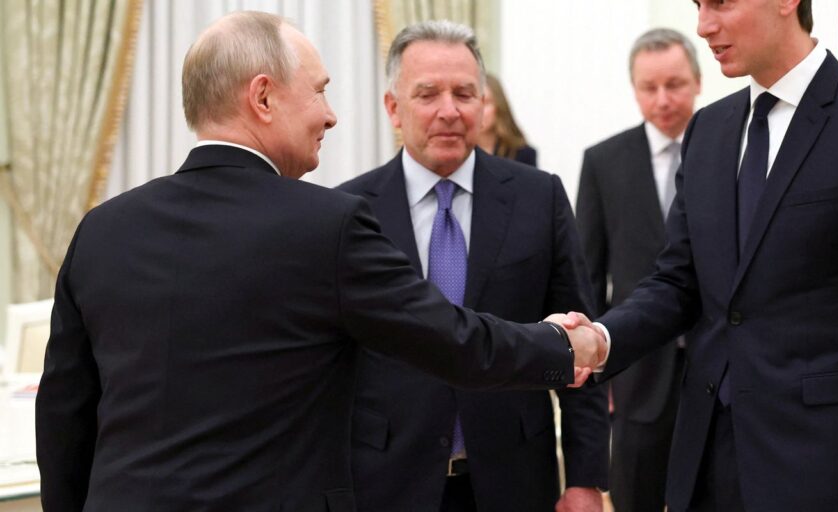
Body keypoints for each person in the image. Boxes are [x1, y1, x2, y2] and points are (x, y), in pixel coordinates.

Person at [34, 12, 602, 512]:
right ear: (263, 98)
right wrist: (564, 345)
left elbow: (64, 416)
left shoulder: (100, 231)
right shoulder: (326, 224)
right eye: (319, 92)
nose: (330, 117)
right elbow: (454, 341)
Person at [558, 0, 838, 510]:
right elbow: (677, 282)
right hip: (704, 464)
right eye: (698, 6)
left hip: (821, 468)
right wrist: (600, 339)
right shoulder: (709, 129)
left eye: (721, 3)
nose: (703, 25)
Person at [338, 20, 608, 512]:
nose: (449, 110)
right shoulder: (349, 212)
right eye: (428, 94)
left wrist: (585, 479)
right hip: (388, 483)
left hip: (514, 478)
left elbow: (579, 338)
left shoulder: (538, 197)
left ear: (484, 104)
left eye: (464, 93)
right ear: (393, 107)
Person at [575, 27, 701, 512]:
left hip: (717, 366)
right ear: (634, 89)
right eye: (650, 87)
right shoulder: (604, 162)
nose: (663, 99)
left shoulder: (730, 149)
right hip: (637, 373)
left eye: (675, 84)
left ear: (698, 81)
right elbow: (588, 278)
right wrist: (599, 373)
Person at [478, 73, 537, 166]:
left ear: (499, 106)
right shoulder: (459, 151)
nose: (479, 110)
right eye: (474, 102)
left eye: (486, 102)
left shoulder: (522, 153)